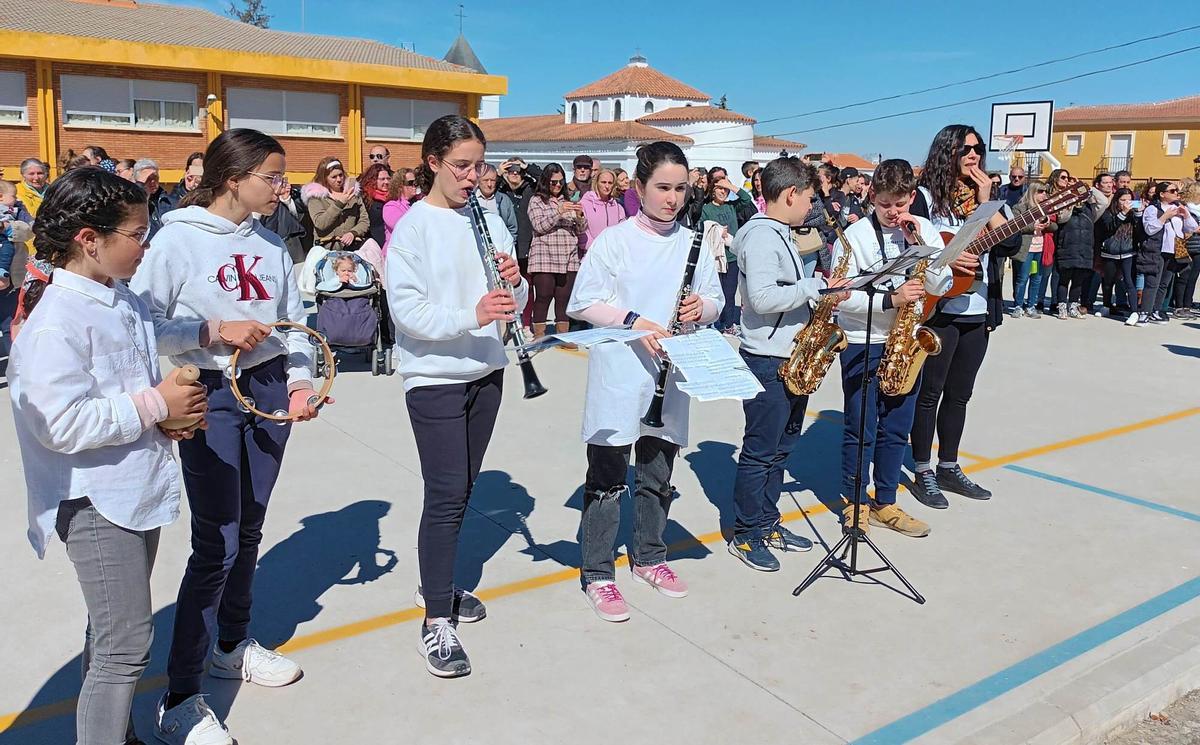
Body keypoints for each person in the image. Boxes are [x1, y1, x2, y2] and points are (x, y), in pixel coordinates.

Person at [130, 129, 326, 745]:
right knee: (214, 540)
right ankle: (181, 694)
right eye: (271, 174)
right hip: (209, 391)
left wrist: (299, 382)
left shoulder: (273, 244)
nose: (282, 184)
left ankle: (233, 643)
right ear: (232, 177)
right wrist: (212, 330)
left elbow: (295, 324)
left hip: (266, 387)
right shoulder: (175, 238)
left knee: (251, 526)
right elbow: (145, 327)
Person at [9, 168, 207, 745]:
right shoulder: (57, 323)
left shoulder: (121, 299)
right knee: (125, 647)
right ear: (89, 239)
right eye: (137, 234)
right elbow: (61, 423)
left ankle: (116, 734)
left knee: (110, 633)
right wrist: (155, 402)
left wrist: (169, 415)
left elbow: (138, 372)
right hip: (95, 501)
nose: (146, 247)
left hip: (133, 486)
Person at [386, 114, 527, 677]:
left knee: (463, 488)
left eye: (479, 166)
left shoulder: (488, 216)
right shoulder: (414, 228)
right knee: (445, 493)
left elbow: (501, 289)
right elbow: (409, 313)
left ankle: (436, 585)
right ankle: (436, 622)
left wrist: (511, 279)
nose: (473, 178)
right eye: (461, 166)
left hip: (485, 370)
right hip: (435, 376)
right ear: (433, 163)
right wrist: (472, 314)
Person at [566, 141, 723, 622]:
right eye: (662, 188)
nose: (672, 198)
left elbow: (716, 301)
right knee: (609, 479)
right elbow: (582, 301)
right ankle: (597, 572)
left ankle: (650, 556)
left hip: (669, 376)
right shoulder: (615, 240)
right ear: (639, 187)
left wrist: (704, 309)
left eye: (680, 188)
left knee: (657, 476)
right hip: (621, 374)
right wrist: (634, 320)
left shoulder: (694, 241)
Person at [728, 157, 843, 571]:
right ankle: (745, 533)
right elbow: (760, 298)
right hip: (766, 359)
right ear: (791, 193)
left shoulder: (780, 234)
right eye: (809, 197)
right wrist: (813, 288)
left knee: (781, 448)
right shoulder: (761, 237)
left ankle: (767, 520)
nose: (812, 205)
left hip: (789, 355)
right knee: (760, 452)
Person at [834, 159, 955, 539]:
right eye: (885, 204)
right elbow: (841, 295)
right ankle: (855, 502)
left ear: (912, 198)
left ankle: (885, 501)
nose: (893, 212)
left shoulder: (926, 230)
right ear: (872, 197)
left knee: (896, 429)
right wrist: (891, 299)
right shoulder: (855, 236)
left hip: (905, 342)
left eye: (900, 204)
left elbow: (943, 283)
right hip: (862, 341)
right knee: (861, 428)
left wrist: (922, 246)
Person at [908, 124, 1006, 509]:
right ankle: (922, 469)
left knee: (960, 395)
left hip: (977, 309)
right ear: (946, 151)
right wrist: (945, 256)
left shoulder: (988, 198)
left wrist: (986, 200)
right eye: (966, 148)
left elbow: (1010, 240)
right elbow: (909, 245)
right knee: (929, 393)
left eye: (978, 149)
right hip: (939, 310)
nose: (973, 155)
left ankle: (948, 465)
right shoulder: (925, 198)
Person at [527, 162, 584, 339]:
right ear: (545, 182)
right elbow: (539, 226)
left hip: (568, 257)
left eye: (560, 182)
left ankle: (563, 335)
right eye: (553, 182)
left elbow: (580, 230)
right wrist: (558, 211)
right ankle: (539, 334)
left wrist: (580, 218)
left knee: (564, 298)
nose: (558, 186)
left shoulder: (568, 201)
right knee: (543, 296)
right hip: (545, 256)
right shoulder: (536, 201)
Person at [701, 171, 753, 334]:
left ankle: (728, 324)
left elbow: (746, 199)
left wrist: (730, 185)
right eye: (720, 188)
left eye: (726, 189)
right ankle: (715, 322)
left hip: (731, 257)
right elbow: (703, 228)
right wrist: (716, 232)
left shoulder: (732, 207)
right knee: (716, 292)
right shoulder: (707, 208)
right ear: (712, 190)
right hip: (715, 257)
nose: (723, 192)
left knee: (729, 293)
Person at [1139, 181, 1197, 324]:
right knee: (1152, 282)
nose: (1176, 193)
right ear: (1162, 194)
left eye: (1176, 190)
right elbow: (1150, 229)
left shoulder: (1179, 207)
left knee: (1164, 283)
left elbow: (1191, 228)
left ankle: (1157, 310)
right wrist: (1165, 216)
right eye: (1172, 191)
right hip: (1157, 250)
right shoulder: (1152, 209)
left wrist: (1187, 216)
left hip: (1174, 251)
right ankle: (1145, 311)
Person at [1051, 177, 1108, 319]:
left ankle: (1073, 306)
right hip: (1067, 248)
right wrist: (1070, 198)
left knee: (1078, 282)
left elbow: (1104, 202)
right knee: (1064, 280)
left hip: (1085, 249)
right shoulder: (1065, 207)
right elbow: (1062, 218)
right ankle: (1062, 307)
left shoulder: (1091, 210)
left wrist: (1087, 188)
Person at [498, 158, 539, 331]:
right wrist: (500, 173)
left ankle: (527, 323)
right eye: (511, 170)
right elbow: (485, 185)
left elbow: (546, 177)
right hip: (505, 247)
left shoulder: (530, 188)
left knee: (526, 286)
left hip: (526, 244)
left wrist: (527, 167)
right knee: (505, 287)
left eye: (518, 170)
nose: (514, 174)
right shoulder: (501, 188)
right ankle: (508, 322)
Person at [1009, 182, 1057, 318]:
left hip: (1040, 248)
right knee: (1022, 278)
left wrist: (1048, 223)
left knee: (1036, 278)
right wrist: (1033, 226)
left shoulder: (1045, 208)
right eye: (1041, 191)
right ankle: (1018, 305)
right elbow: (1014, 226)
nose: (1044, 194)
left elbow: (1055, 227)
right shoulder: (1020, 207)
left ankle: (1031, 305)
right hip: (1026, 248)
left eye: (1045, 191)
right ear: (1033, 192)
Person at [1097, 188, 1141, 321]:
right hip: (1111, 252)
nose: (1126, 203)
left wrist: (1138, 214)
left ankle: (1134, 312)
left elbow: (1140, 231)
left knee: (1129, 281)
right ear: (1116, 201)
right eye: (1123, 200)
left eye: (1129, 200)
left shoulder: (1133, 214)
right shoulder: (1108, 213)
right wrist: (1123, 213)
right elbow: (1110, 227)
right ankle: (1106, 305)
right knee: (1108, 281)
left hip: (1128, 252)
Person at [580, 167, 627, 256]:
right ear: (597, 183)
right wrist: (595, 247)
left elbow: (622, 232)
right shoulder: (585, 203)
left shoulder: (618, 207)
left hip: (612, 255)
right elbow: (581, 230)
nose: (607, 186)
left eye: (610, 183)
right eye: (603, 182)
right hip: (591, 254)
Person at [475, 163, 519, 241]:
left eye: (492, 180)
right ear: (478, 181)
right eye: (485, 180)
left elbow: (512, 228)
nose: (489, 184)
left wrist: (508, 246)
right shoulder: (470, 200)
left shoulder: (504, 200)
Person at [357, 162, 393, 249]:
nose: (386, 182)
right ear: (373, 180)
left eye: (388, 178)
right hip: (372, 244)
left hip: (390, 243)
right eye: (382, 179)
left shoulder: (394, 196)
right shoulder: (365, 198)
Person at [132, 158, 171, 239]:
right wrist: (140, 187)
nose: (153, 182)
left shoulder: (167, 200)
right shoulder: (132, 201)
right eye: (148, 178)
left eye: (155, 178)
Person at [382, 167, 418, 247]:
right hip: (397, 253)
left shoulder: (420, 203)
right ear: (400, 186)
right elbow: (404, 229)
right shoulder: (390, 207)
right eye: (410, 182)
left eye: (416, 182)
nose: (414, 185)